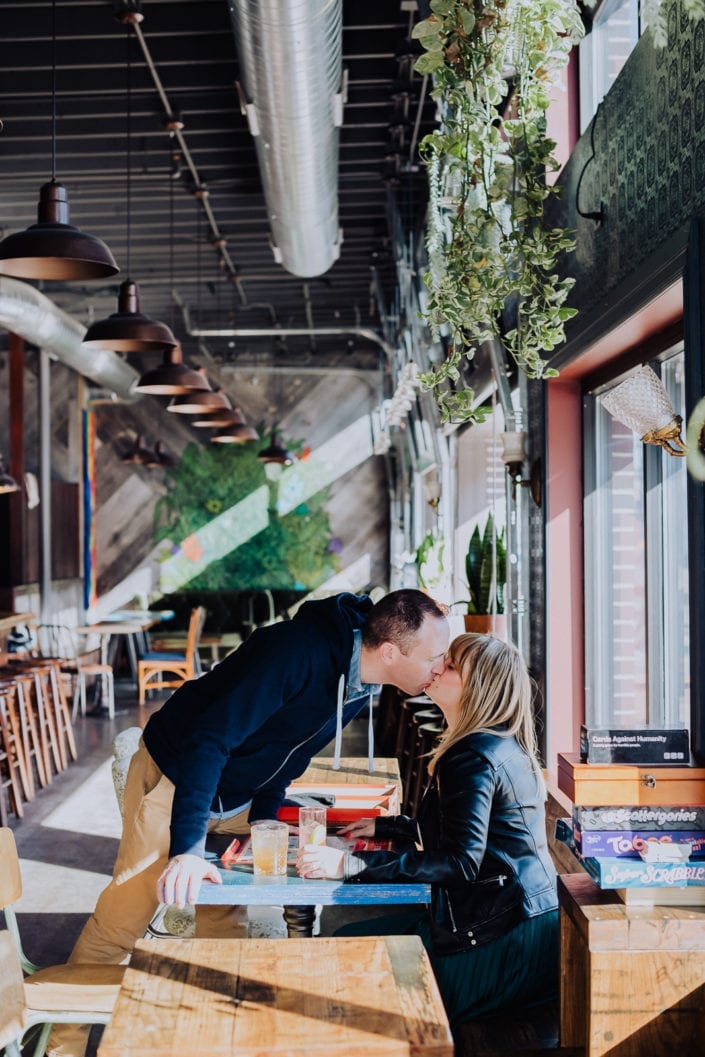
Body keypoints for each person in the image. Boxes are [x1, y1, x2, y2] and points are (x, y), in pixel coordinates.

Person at [48, 589, 448, 1057]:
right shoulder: (295, 652)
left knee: (224, 921)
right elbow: (209, 740)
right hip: (177, 776)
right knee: (120, 923)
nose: (440, 667)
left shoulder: (362, 682)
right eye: (434, 657)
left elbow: (292, 753)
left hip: (234, 794)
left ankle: (219, 1041)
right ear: (391, 652)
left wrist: (263, 820)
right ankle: (62, 1049)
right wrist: (187, 851)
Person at [297, 633, 558, 1028]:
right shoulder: (497, 743)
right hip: (522, 925)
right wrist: (389, 825)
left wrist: (349, 864)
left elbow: (460, 863)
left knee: (349, 964)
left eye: (450, 665)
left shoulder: (471, 757)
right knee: (346, 939)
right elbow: (470, 832)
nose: (437, 667)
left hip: (501, 939)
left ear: (477, 687)